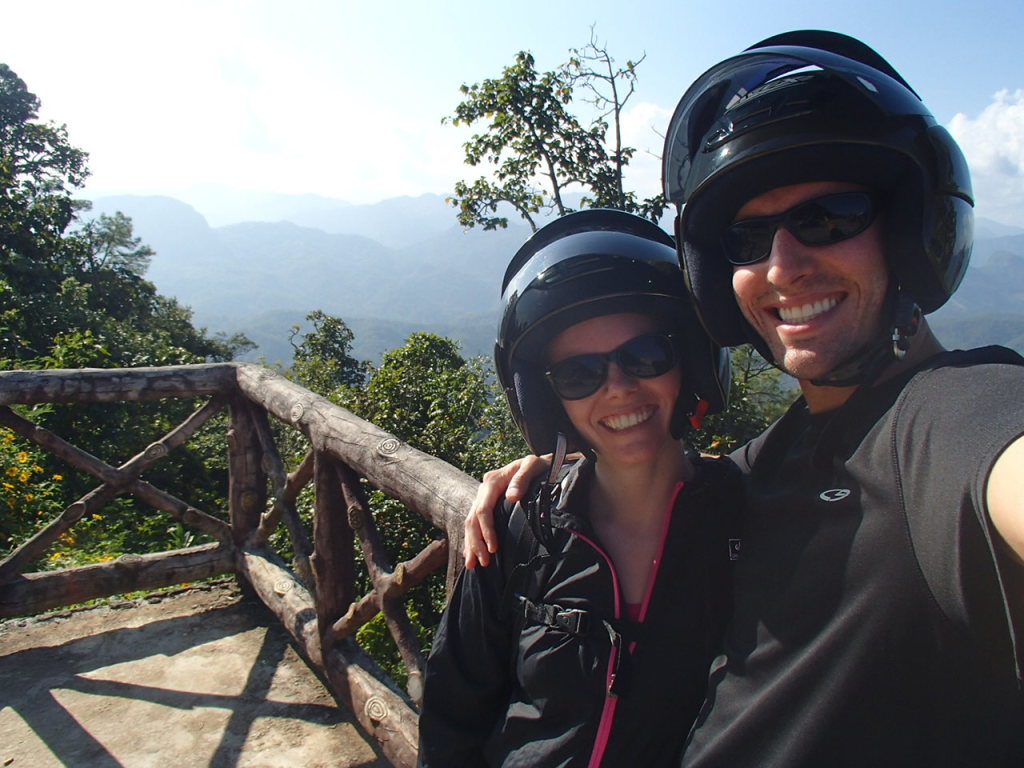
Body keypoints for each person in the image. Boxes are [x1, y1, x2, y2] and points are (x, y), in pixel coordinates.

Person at [464, 30, 1024, 766]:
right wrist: (554, 467)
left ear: (910, 230)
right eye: (747, 237)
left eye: (829, 216)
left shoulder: (947, 417)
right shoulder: (760, 470)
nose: (784, 265)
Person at [417, 209, 742, 767]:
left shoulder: (750, 529)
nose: (618, 388)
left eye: (644, 355)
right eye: (578, 374)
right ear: (549, 399)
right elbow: (454, 716)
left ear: (687, 361)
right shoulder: (522, 528)